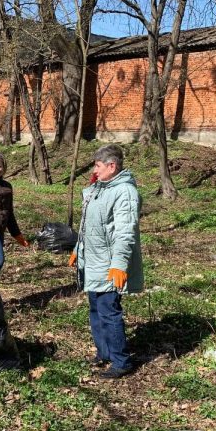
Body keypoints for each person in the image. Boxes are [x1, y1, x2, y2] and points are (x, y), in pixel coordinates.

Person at [69, 144, 144, 379]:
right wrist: (77, 249)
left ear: (112, 166)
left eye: (98, 166)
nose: (95, 170)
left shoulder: (125, 192)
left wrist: (119, 265)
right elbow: (87, 225)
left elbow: (125, 232)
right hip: (93, 260)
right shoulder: (98, 189)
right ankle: (104, 352)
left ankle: (121, 361)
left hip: (109, 264)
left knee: (109, 311)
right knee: (95, 308)